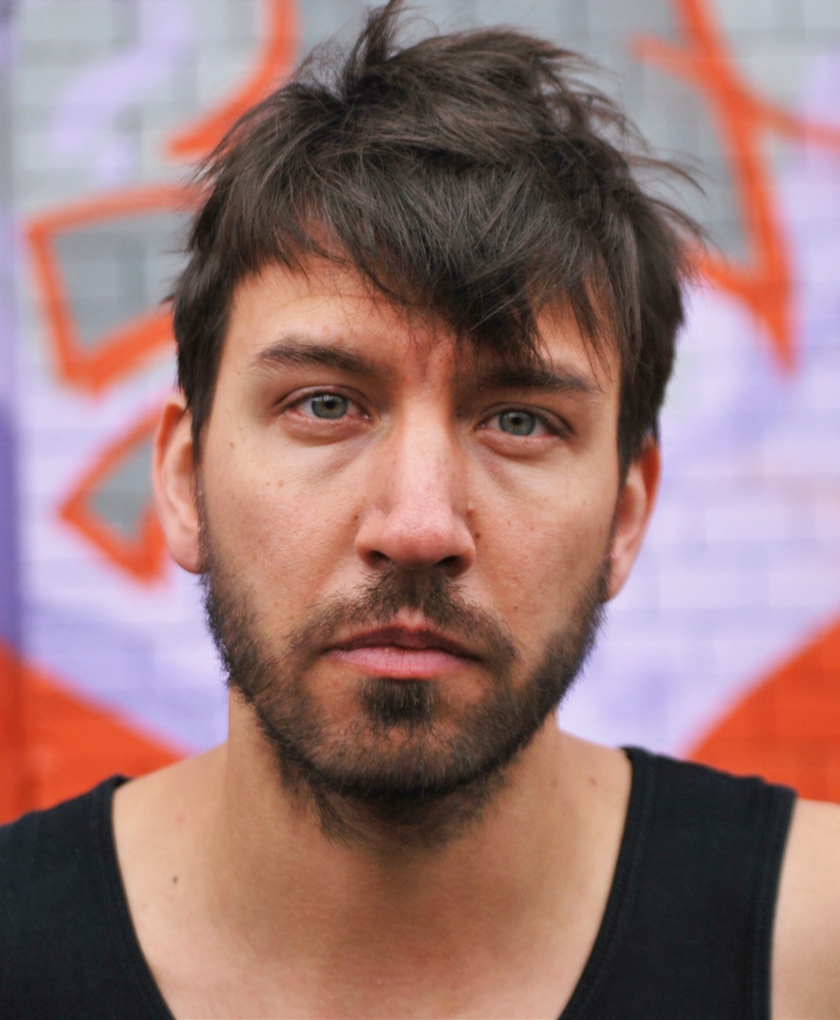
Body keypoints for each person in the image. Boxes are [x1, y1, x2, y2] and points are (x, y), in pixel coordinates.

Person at [2, 2, 840, 1016]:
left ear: (626, 518)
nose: (417, 527)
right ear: (183, 481)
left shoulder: (813, 947)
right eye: (324, 405)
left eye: (520, 422)